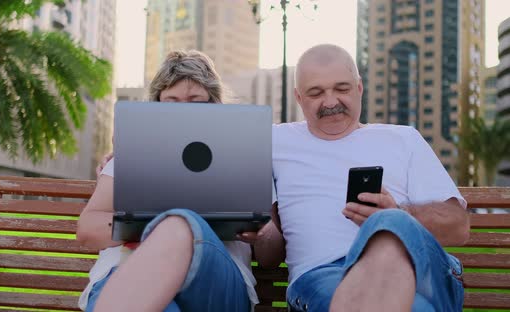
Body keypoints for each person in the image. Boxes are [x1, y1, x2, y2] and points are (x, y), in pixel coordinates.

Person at [76, 50, 284, 312]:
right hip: (125, 270)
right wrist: (158, 226)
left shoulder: (245, 155)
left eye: (195, 101)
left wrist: (263, 233)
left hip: (215, 283)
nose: (183, 111)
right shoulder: (133, 154)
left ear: (214, 105)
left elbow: (272, 257)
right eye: (172, 101)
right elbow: (87, 230)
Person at [273, 44, 469, 311]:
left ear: (359, 88)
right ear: (298, 98)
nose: (330, 102)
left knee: (389, 224)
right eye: (316, 93)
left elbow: (458, 226)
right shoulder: (274, 141)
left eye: (342, 89)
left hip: (418, 269)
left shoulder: (403, 139)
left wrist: (400, 214)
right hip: (324, 274)